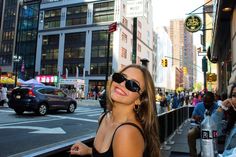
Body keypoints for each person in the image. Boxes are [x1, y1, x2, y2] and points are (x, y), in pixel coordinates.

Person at [70, 64, 160, 157]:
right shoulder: (104, 117)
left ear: (139, 99)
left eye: (133, 84)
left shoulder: (126, 132)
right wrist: (89, 151)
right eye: (120, 77)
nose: (122, 84)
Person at [187, 91, 218, 157]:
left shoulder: (217, 107)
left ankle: (209, 153)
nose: (206, 104)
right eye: (205, 102)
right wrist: (196, 117)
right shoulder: (199, 105)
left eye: (209, 102)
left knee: (210, 139)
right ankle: (193, 155)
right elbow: (193, 116)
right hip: (201, 127)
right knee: (191, 134)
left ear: (213, 101)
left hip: (213, 130)